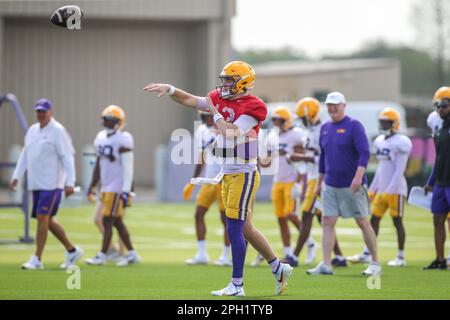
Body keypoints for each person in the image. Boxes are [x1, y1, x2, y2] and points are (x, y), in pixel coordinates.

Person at [144, 60, 293, 296]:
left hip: (243, 172)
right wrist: (171, 89)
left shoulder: (255, 106)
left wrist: (215, 114)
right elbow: (190, 100)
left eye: (230, 80)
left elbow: (233, 134)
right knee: (246, 228)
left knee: (234, 225)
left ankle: (237, 284)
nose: (224, 84)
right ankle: (278, 267)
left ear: (243, 83)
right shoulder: (220, 98)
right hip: (228, 173)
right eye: (224, 79)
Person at [306, 92, 381, 276]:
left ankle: (375, 263)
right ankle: (326, 264)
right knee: (327, 221)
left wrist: (358, 177)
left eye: (336, 105)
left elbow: (364, 153)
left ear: (343, 105)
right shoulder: (325, 128)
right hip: (330, 185)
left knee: (362, 221)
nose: (332, 108)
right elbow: (323, 158)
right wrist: (319, 182)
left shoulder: (354, 126)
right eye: (329, 105)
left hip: (353, 185)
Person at [10, 98, 83, 270]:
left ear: (50, 112)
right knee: (47, 220)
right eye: (38, 111)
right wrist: (16, 176)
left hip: (52, 184)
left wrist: (70, 182)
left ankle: (37, 258)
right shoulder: (32, 131)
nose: (40, 114)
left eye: (43, 111)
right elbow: (25, 155)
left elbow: (67, 157)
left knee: (42, 218)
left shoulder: (58, 131)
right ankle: (72, 250)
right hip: (37, 183)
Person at [348, 108, 412, 267]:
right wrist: (373, 189)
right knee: (373, 221)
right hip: (383, 190)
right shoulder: (380, 140)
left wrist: (390, 190)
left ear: (395, 124)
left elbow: (399, 170)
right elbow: (381, 169)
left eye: (387, 122)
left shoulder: (401, 142)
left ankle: (401, 256)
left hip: (396, 190)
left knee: (397, 221)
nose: (383, 125)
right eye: (382, 122)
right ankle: (367, 252)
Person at [290, 97, 346, 267]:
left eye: (304, 117)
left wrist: (301, 157)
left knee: (306, 214)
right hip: (313, 177)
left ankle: (294, 256)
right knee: (322, 218)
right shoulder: (310, 130)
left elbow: (325, 157)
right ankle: (340, 257)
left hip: (320, 178)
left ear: (313, 115)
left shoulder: (324, 129)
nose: (302, 121)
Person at [85, 105, 140, 267]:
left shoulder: (124, 138)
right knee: (116, 222)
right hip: (106, 187)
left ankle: (103, 255)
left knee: (107, 220)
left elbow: (128, 167)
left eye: (111, 120)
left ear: (119, 122)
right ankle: (132, 254)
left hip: (118, 186)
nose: (108, 123)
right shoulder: (100, 137)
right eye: (106, 120)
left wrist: (126, 190)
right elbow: (99, 165)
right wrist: (92, 186)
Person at [183, 110, 231, 266]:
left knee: (226, 219)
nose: (203, 119)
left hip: (224, 179)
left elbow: (232, 152)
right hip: (209, 179)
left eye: (206, 115)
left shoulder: (226, 129)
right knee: (198, 213)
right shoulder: (202, 130)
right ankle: (202, 254)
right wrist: (193, 180)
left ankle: (226, 255)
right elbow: (202, 157)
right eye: (202, 116)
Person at [257, 106, 303, 267]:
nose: (276, 123)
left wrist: (299, 181)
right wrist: (256, 160)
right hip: (278, 180)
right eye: (274, 120)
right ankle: (289, 251)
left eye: (279, 120)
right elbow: (267, 160)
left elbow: (302, 159)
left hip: (292, 179)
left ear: (287, 121)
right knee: (281, 218)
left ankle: (309, 242)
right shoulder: (272, 136)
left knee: (291, 214)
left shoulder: (296, 134)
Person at [423, 87, 450, 270]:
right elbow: (439, 157)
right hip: (441, 182)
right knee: (437, 220)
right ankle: (440, 260)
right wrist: (431, 181)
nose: (441, 109)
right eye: (438, 106)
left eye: (444, 105)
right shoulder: (440, 129)